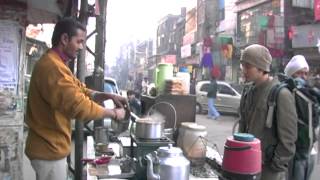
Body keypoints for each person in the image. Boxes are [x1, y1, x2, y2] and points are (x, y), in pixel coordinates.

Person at [25, 18, 127, 180]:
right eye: (79, 42)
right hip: (48, 151)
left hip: (49, 148)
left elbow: (79, 88)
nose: (81, 47)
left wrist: (106, 95)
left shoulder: (57, 63)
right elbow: (79, 105)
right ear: (65, 39)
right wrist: (114, 113)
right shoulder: (52, 67)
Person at [238, 44, 298, 180]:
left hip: (269, 171)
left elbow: (288, 139)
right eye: (243, 66)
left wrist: (275, 165)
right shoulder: (248, 91)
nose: (244, 70)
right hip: (247, 164)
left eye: (248, 66)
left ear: (261, 68)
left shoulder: (281, 94)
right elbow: (243, 124)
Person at [284, 55, 317, 180]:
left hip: (309, 149)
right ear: (292, 74)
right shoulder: (287, 92)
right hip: (295, 151)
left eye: (305, 73)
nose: (303, 76)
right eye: (299, 73)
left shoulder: (309, 93)